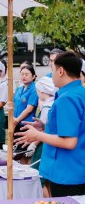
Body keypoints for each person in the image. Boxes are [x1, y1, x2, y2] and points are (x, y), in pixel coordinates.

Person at [15, 51, 85, 197]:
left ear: (61, 71)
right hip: (74, 170)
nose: (50, 75)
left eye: (52, 70)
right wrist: (45, 127)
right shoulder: (79, 92)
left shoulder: (68, 98)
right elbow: (76, 129)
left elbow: (70, 142)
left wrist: (38, 135)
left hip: (66, 173)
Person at [24, 76, 58, 197]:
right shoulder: (53, 102)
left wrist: (33, 144)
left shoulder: (46, 107)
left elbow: (46, 131)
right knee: (47, 180)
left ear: (42, 91)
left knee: (40, 180)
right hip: (47, 143)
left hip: (43, 145)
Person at [13, 65, 38, 150]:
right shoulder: (19, 88)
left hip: (26, 125)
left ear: (33, 76)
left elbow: (29, 109)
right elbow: (14, 104)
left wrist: (17, 120)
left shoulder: (34, 89)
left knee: (23, 150)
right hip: (16, 123)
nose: (24, 76)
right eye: (22, 74)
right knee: (15, 148)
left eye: (27, 74)